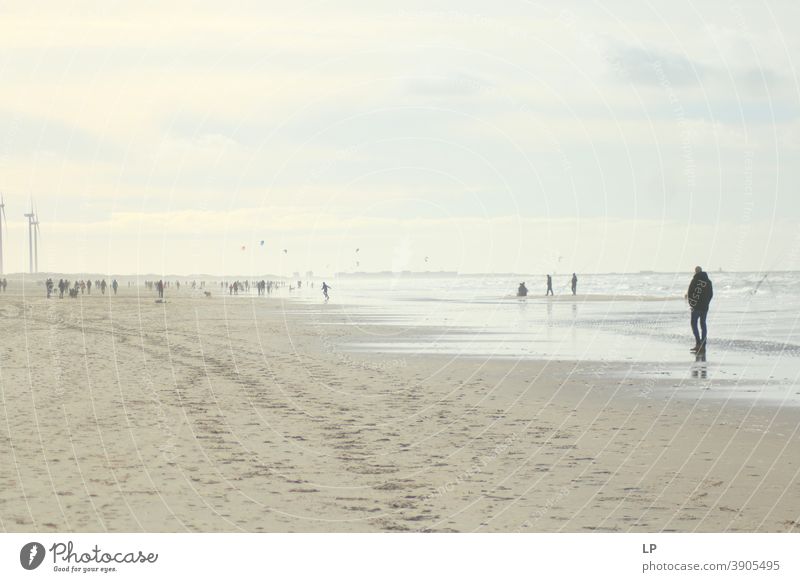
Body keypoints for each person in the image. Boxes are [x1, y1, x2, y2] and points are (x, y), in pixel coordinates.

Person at [686, 266, 713, 353]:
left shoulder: (695, 280)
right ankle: (703, 345)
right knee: (703, 324)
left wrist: (692, 304)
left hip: (696, 307)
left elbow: (690, 293)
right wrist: (707, 303)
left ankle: (698, 343)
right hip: (705, 307)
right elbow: (711, 295)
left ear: (696, 272)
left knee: (694, 324)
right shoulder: (708, 282)